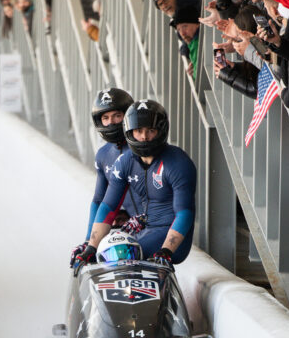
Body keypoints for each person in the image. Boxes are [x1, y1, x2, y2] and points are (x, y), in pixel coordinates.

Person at [73, 100, 197, 268]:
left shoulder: (178, 162)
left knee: (118, 253)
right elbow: (108, 207)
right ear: (130, 132)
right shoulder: (125, 162)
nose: (144, 137)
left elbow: (184, 213)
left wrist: (166, 250)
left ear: (160, 131)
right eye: (139, 131)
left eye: (151, 131)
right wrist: (90, 247)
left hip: (172, 238)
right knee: (102, 253)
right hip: (144, 231)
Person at [70, 88, 139, 267]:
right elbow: (99, 200)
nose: (111, 123)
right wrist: (88, 242)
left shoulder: (143, 148)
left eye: (117, 116)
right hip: (117, 230)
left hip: (144, 227)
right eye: (105, 118)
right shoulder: (103, 155)